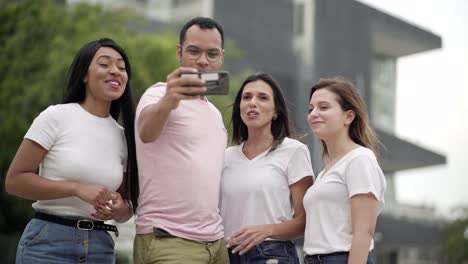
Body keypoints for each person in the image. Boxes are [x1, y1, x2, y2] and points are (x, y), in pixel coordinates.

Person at [5, 38, 138, 264]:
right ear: (84, 74)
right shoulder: (56, 117)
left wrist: (118, 209)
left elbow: (126, 207)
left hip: (100, 247)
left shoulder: (123, 136)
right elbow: (15, 181)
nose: (115, 71)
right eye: (104, 64)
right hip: (48, 242)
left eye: (121, 67)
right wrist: (77, 189)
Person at [133, 17, 229, 263]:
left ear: (221, 58)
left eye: (212, 54)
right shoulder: (158, 93)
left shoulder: (214, 114)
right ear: (179, 52)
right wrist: (169, 99)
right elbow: (145, 132)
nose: (203, 61)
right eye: (194, 51)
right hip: (169, 239)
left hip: (216, 241)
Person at [221, 72, 314, 264]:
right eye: (247, 97)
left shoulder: (294, 151)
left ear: (276, 111)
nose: (252, 102)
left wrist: (267, 230)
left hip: (272, 253)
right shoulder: (225, 156)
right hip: (226, 255)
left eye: (262, 98)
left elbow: (305, 221)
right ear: (240, 107)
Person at [303, 78, 386, 264]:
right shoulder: (326, 170)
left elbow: (363, 232)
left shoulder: (360, 159)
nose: (313, 114)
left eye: (323, 107)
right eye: (311, 109)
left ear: (348, 116)